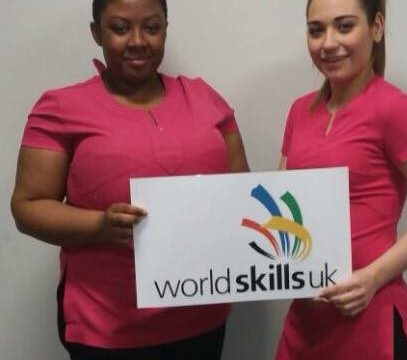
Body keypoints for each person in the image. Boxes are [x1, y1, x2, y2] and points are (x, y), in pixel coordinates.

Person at [10, 0, 249, 359]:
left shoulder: (206, 99)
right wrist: (101, 225)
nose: (138, 40)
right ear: (96, 33)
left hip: (202, 315)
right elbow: (27, 207)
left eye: (151, 27)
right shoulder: (61, 108)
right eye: (120, 28)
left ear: (165, 29)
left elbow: (240, 193)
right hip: (106, 327)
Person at [275, 0, 407, 359]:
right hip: (306, 320)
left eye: (344, 26)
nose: (328, 43)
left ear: (376, 27)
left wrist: (372, 277)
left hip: (369, 316)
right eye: (317, 30)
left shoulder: (394, 108)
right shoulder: (299, 111)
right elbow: (285, 206)